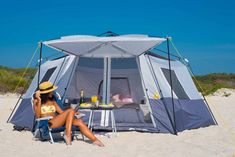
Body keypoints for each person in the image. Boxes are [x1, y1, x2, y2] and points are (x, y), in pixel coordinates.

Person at [33, 81, 104, 146]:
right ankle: (67, 134)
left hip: (57, 121)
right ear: (46, 93)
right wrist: (39, 100)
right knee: (70, 110)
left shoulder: (53, 101)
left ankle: (95, 140)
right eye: (51, 91)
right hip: (47, 124)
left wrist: (74, 113)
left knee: (79, 121)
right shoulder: (36, 101)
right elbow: (38, 116)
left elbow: (62, 113)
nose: (53, 92)